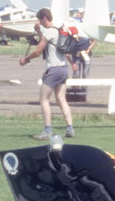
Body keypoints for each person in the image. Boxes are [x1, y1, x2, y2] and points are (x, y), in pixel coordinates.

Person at [20, 8, 75, 140]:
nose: (40, 22)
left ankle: (47, 130)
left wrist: (26, 59)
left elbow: (39, 50)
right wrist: (39, 31)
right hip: (63, 68)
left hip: (53, 69)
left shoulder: (49, 32)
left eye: (40, 20)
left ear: (44, 18)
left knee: (43, 99)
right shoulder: (57, 30)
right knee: (61, 99)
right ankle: (70, 128)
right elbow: (50, 45)